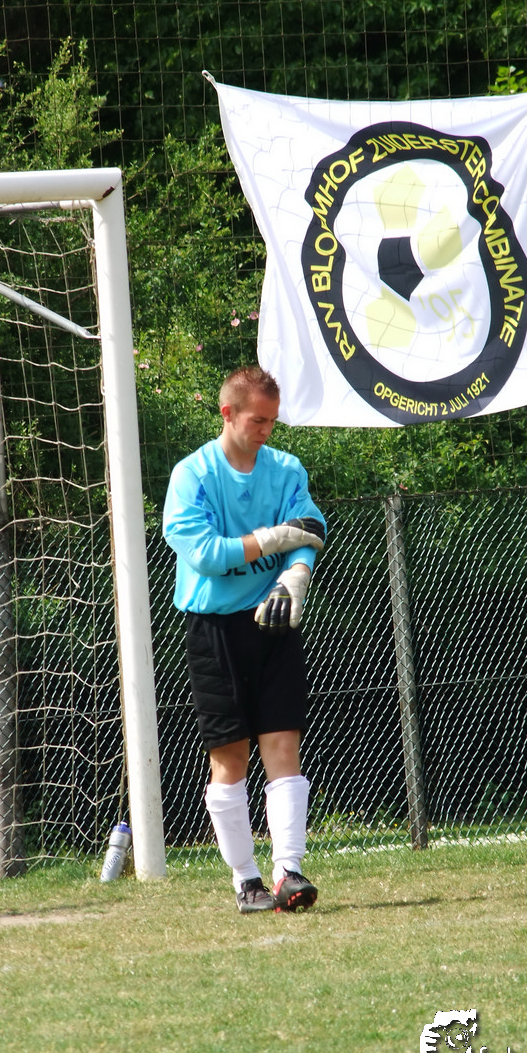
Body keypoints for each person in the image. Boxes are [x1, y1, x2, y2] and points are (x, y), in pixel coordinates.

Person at [163, 364, 327, 914]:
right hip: (214, 630)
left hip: (274, 619)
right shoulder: (192, 475)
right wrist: (273, 538)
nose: (266, 431)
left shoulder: (286, 468)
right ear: (227, 413)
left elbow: (310, 529)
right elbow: (207, 555)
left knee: (283, 745)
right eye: (258, 420)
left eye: (272, 422)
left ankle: (288, 872)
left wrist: (295, 574)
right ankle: (246, 880)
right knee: (230, 757)